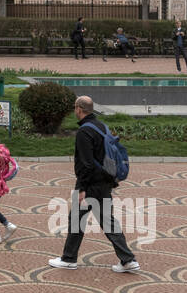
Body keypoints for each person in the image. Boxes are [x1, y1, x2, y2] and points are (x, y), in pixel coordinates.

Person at [49, 96, 139, 272]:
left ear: (79, 109)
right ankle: (128, 260)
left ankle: (69, 259)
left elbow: (86, 164)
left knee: (76, 219)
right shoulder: (101, 127)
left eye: (75, 108)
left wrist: (81, 188)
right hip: (105, 181)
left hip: (90, 184)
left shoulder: (84, 132)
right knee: (107, 221)